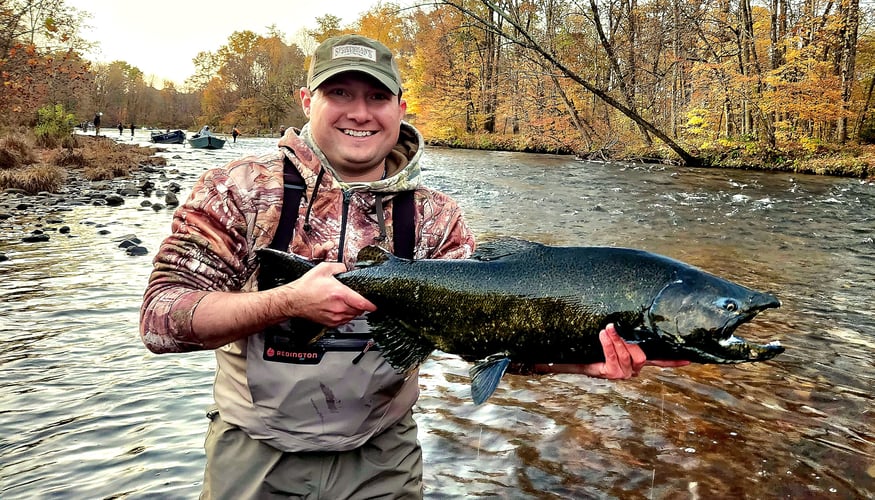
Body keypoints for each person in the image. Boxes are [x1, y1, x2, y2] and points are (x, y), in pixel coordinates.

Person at [140, 34, 686, 499]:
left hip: (383, 454)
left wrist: (581, 361)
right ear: (307, 100)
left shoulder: (434, 216)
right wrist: (286, 301)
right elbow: (161, 320)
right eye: (340, 93)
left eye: (377, 96)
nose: (359, 111)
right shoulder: (240, 188)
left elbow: (485, 340)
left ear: (401, 109)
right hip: (256, 452)